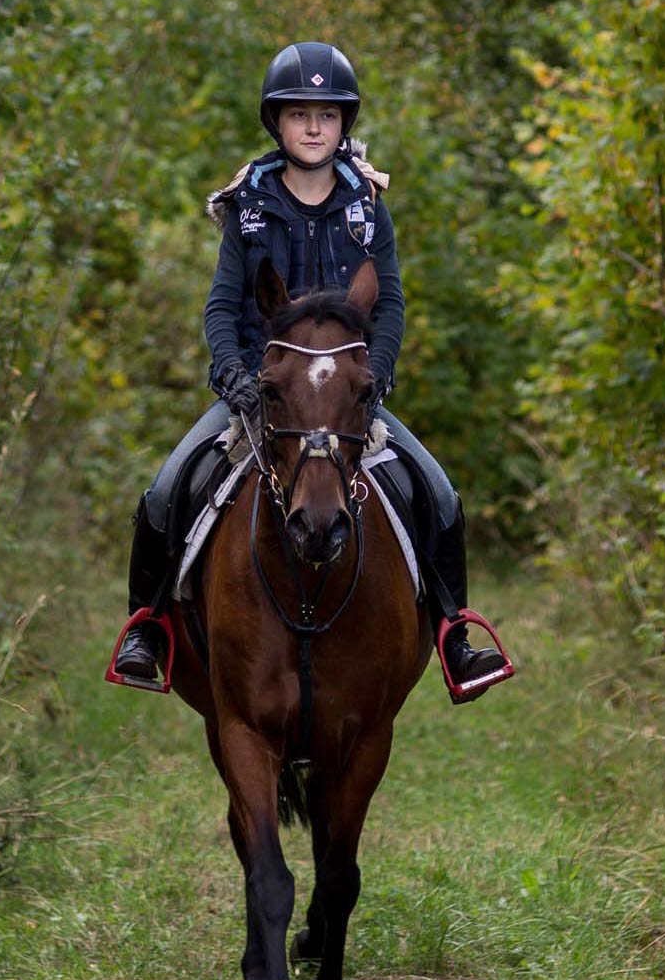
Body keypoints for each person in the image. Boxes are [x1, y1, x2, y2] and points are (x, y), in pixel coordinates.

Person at [109, 39, 511, 699]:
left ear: (344, 123)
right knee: (164, 489)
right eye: (300, 114)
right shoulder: (249, 204)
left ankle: (454, 635)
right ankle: (146, 627)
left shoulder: (367, 206)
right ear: (278, 123)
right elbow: (220, 306)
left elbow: (392, 302)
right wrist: (236, 378)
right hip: (261, 397)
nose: (315, 127)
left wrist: (375, 376)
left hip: (348, 400)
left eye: (327, 114)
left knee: (439, 493)